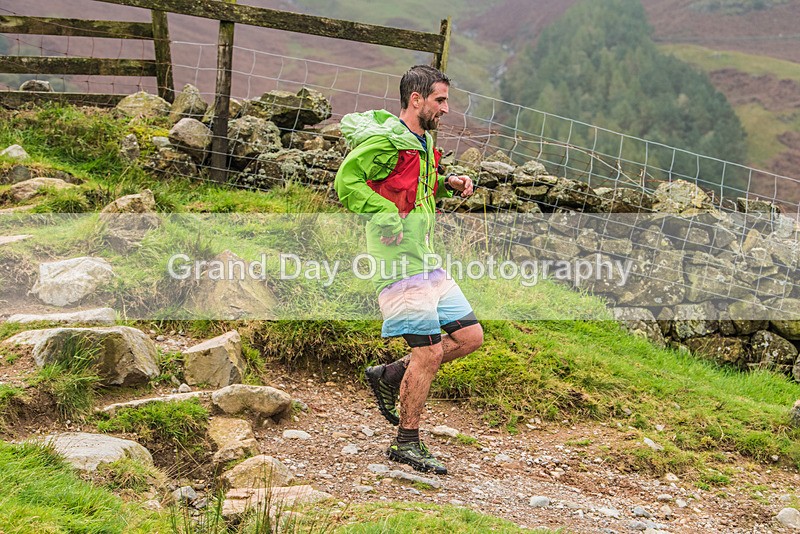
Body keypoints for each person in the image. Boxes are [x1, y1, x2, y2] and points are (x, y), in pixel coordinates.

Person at [334, 65, 484, 475]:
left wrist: (446, 180)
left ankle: (392, 374)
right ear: (416, 100)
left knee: (470, 336)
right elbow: (347, 182)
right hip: (398, 264)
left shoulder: (421, 141)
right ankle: (406, 442)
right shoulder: (385, 140)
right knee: (430, 351)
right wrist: (384, 214)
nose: (447, 109)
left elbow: (413, 184)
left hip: (427, 260)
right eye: (440, 100)